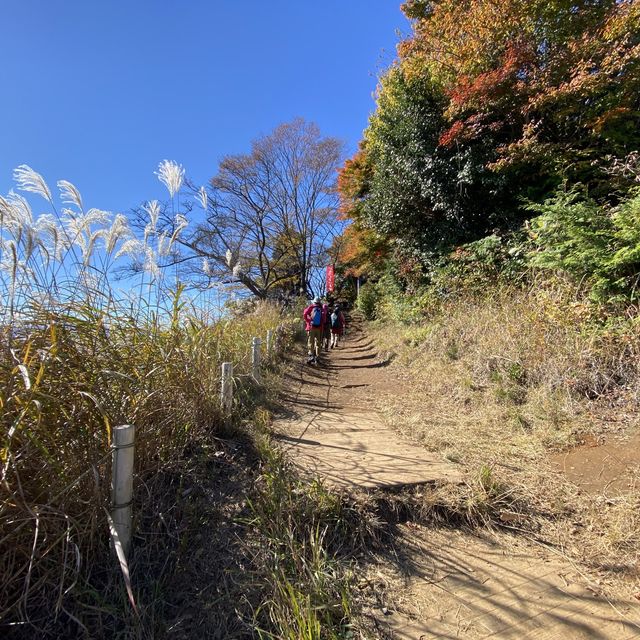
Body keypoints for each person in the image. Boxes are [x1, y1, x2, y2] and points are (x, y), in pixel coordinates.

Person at [302, 297, 325, 364]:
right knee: (318, 343)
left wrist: (308, 321)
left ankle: (311, 356)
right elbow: (324, 319)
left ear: (314, 302)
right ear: (319, 302)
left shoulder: (311, 307)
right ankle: (317, 357)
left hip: (311, 327)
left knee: (311, 342)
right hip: (319, 328)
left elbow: (305, 314)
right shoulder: (321, 308)